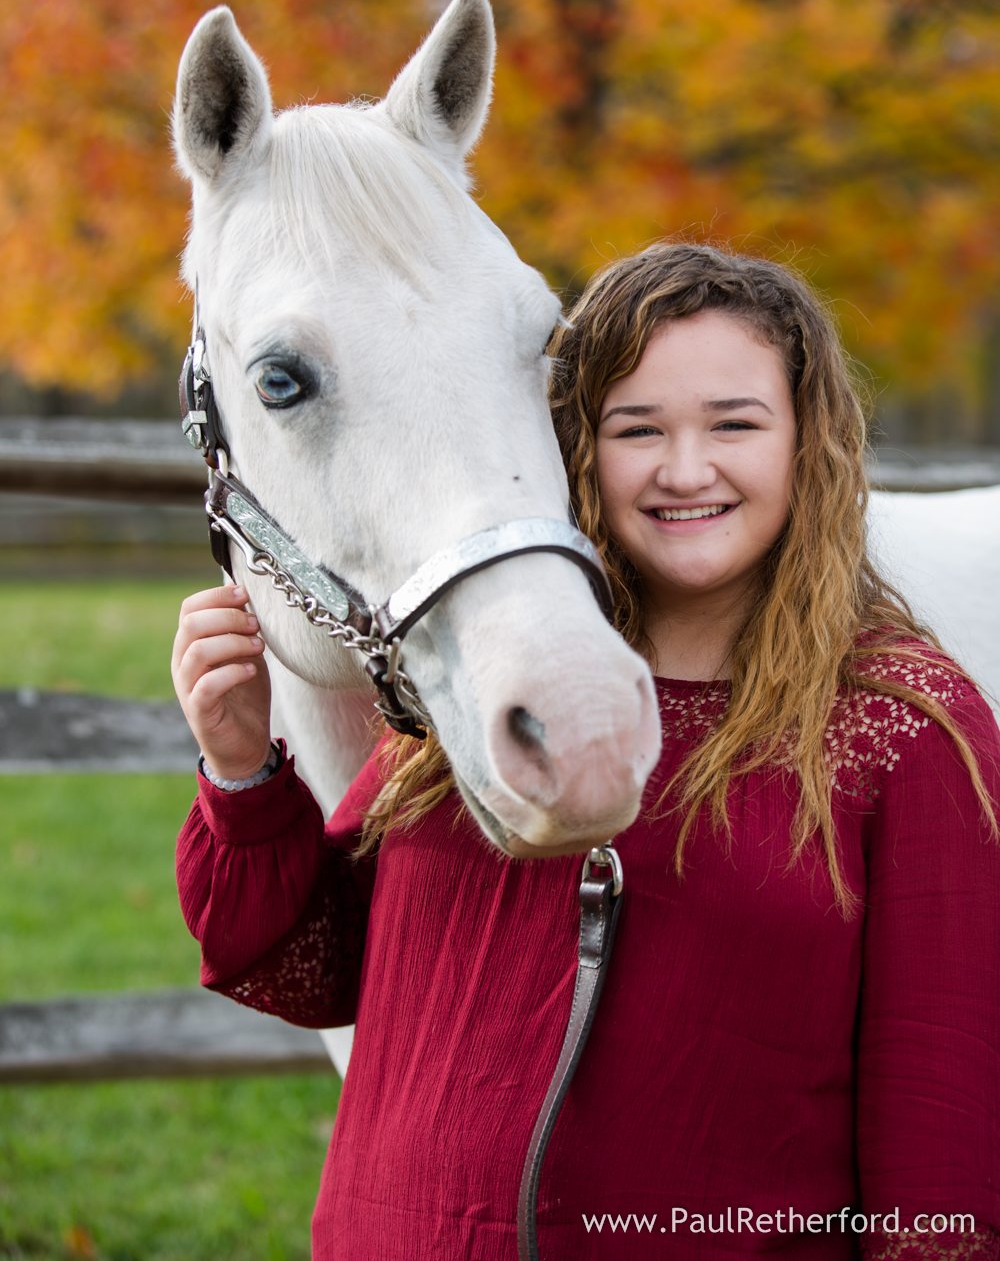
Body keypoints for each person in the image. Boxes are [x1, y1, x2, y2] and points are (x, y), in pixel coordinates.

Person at [173, 241, 1000, 1259]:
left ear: (806, 443)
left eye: (734, 425)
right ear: (572, 448)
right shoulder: (501, 679)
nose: (684, 470)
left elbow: (941, 1154)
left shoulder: (901, 725)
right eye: (636, 428)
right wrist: (242, 769)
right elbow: (311, 976)